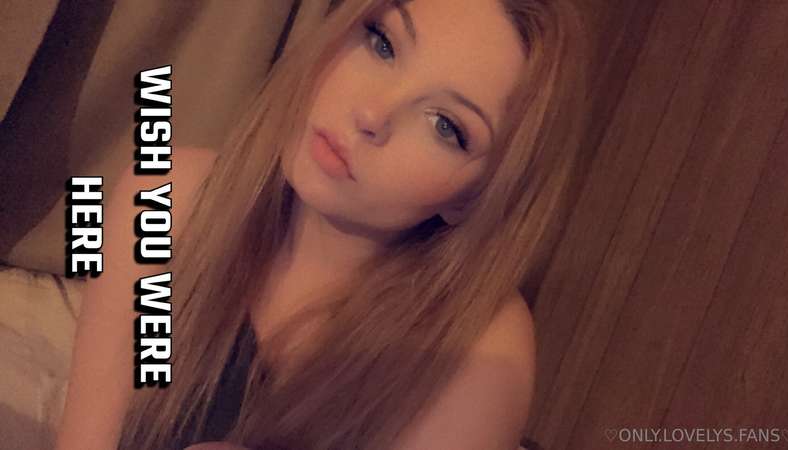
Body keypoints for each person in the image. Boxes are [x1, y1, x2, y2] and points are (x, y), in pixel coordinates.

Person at [55, 0, 588, 449]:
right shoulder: (165, 198)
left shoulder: (478, 350)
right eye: (382, 43)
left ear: (476, 197)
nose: (372, 114)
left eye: (445, 125)